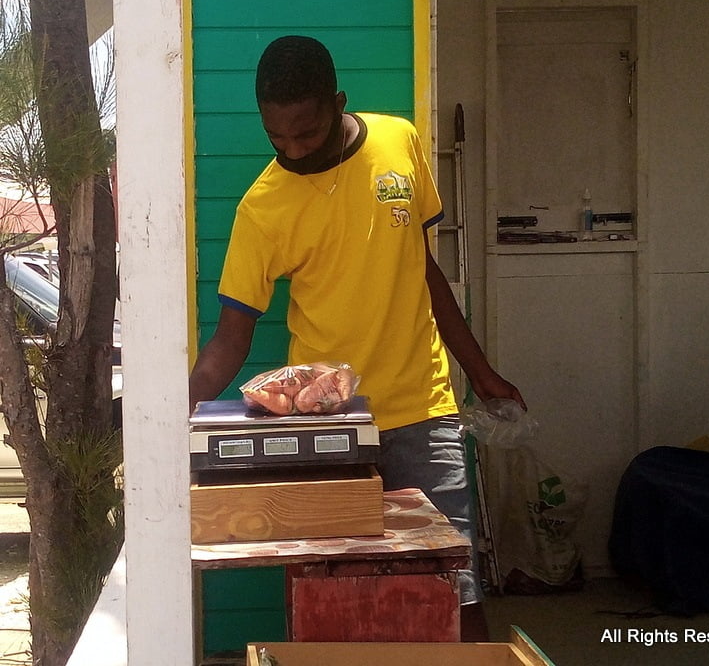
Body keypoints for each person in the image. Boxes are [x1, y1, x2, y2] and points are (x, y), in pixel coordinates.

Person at [188, 35, 524, 642]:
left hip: (424, 411)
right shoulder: (262, 209)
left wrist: (480, 370)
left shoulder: (400, 142)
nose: (293, 149)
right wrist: (173, 411)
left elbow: (423, 268)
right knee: (335, 599)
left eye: (306, 132)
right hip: (329, 431)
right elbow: (230, 339)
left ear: (338, 103)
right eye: (277, 138)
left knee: (455, 592)